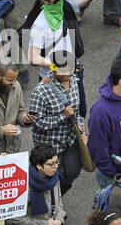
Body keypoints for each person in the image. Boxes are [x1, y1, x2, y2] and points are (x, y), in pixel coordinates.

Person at [27, 59, 84, 194]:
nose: (67, 74)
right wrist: (62, 116)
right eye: (63, 71)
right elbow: (37, 123)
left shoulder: (74, 81)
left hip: (69, 139)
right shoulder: (40, 91)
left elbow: (76, 110)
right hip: (50, 144)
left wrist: (80, 124)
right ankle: (52, 204)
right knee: (50, 178)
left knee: (72, 172)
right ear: (53, 69)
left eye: (70, 70)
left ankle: (58, 197)